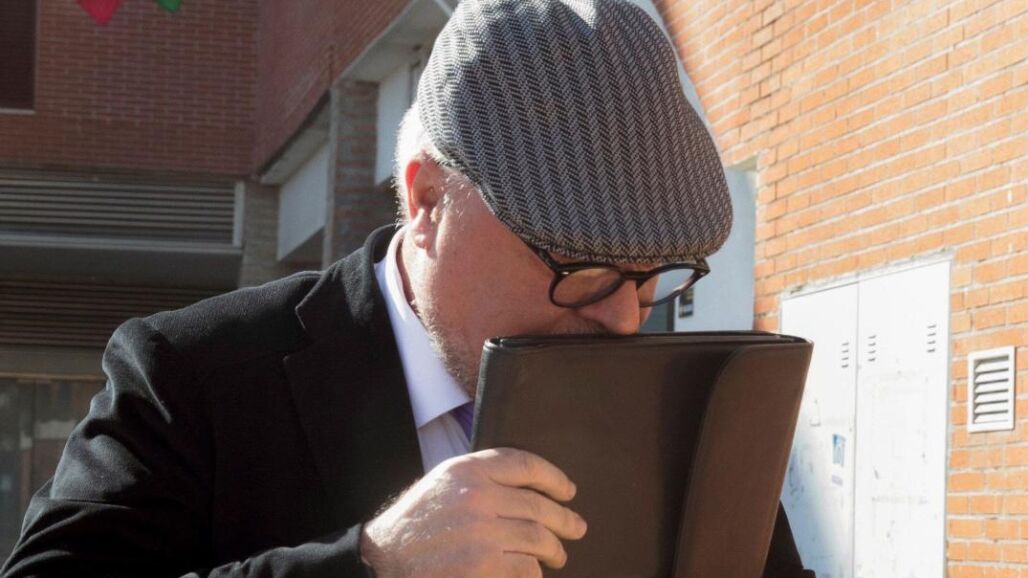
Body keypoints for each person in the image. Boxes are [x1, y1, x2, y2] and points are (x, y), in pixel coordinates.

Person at [2, 1, 813, 577]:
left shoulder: (678, 404)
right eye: (580, 267)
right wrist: (373, 563)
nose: (625, 320)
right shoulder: (193, 377)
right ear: (426, 201)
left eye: (650, 274)